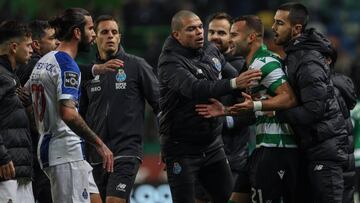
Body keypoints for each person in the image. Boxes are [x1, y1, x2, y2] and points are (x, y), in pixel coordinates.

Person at [157, 10, 261, 203]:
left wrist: (250, 90)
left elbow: (233, 77)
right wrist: (235, 83)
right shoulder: (169, 62)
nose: (198, 32)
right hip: (182, 149)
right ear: (176, 35)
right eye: (191, 29)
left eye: (199, 27)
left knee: (228, 198)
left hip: (212, 145)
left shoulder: (210, 50)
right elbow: (194, 88)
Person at [196, 15, 299, 203]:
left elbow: (288, 97)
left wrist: (256, 105)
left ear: (251, 37)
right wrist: (225, 110)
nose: (229, 40)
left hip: (277, 149)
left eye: (234, 34)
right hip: (261, 147)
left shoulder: (266, 62)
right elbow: (259, 107)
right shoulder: (251, 65)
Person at [26, 8, 114, 203]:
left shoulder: (43, 61)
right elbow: (68, 113)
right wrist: (99, 144)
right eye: (90, 28)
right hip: (66, 153)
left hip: (57, 148)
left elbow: (25, 97)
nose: (93, 34)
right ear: (77, 32)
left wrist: (43, 126)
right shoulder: (67, 66)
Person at [272, 2, 349, 202]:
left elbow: (314, 109)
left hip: (326, 151)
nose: (273, 28)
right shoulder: (296, 57)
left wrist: (277, 111)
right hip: (316, 148)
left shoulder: (307, 61)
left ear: (297, 29)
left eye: (279, 23)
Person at [79, 15, 160, 203]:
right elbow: (81, 116)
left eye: (114, 32)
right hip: (97, 154)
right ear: (94, 38)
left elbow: (160, 104)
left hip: (126, 151)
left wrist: (166, 139)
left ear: (120, 37)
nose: (110, 36)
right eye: (104, 32)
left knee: (114, 200)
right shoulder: (89, 73)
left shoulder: (136, 65)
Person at [203, 12, 251, 203]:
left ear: (232, 38)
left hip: (232, 157)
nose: (215, 36)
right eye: (212, 32)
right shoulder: (197, 65)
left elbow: (254, 111)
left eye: (222, 33)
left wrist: (224, 119)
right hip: (201, 155)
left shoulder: (242, 68)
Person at [15, 20, 59, 203]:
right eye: (52, 38)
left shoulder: (20, 68)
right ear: (36, 44)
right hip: (37, 148)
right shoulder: (37, 66)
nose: (57, 42)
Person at [0, 20, 34, 203]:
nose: (32, 50)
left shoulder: (12, 78)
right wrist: (2, 157)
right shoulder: (2, 76)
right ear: (14, 47)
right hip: (6, 173)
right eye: (28, 45)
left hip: (19, 173)